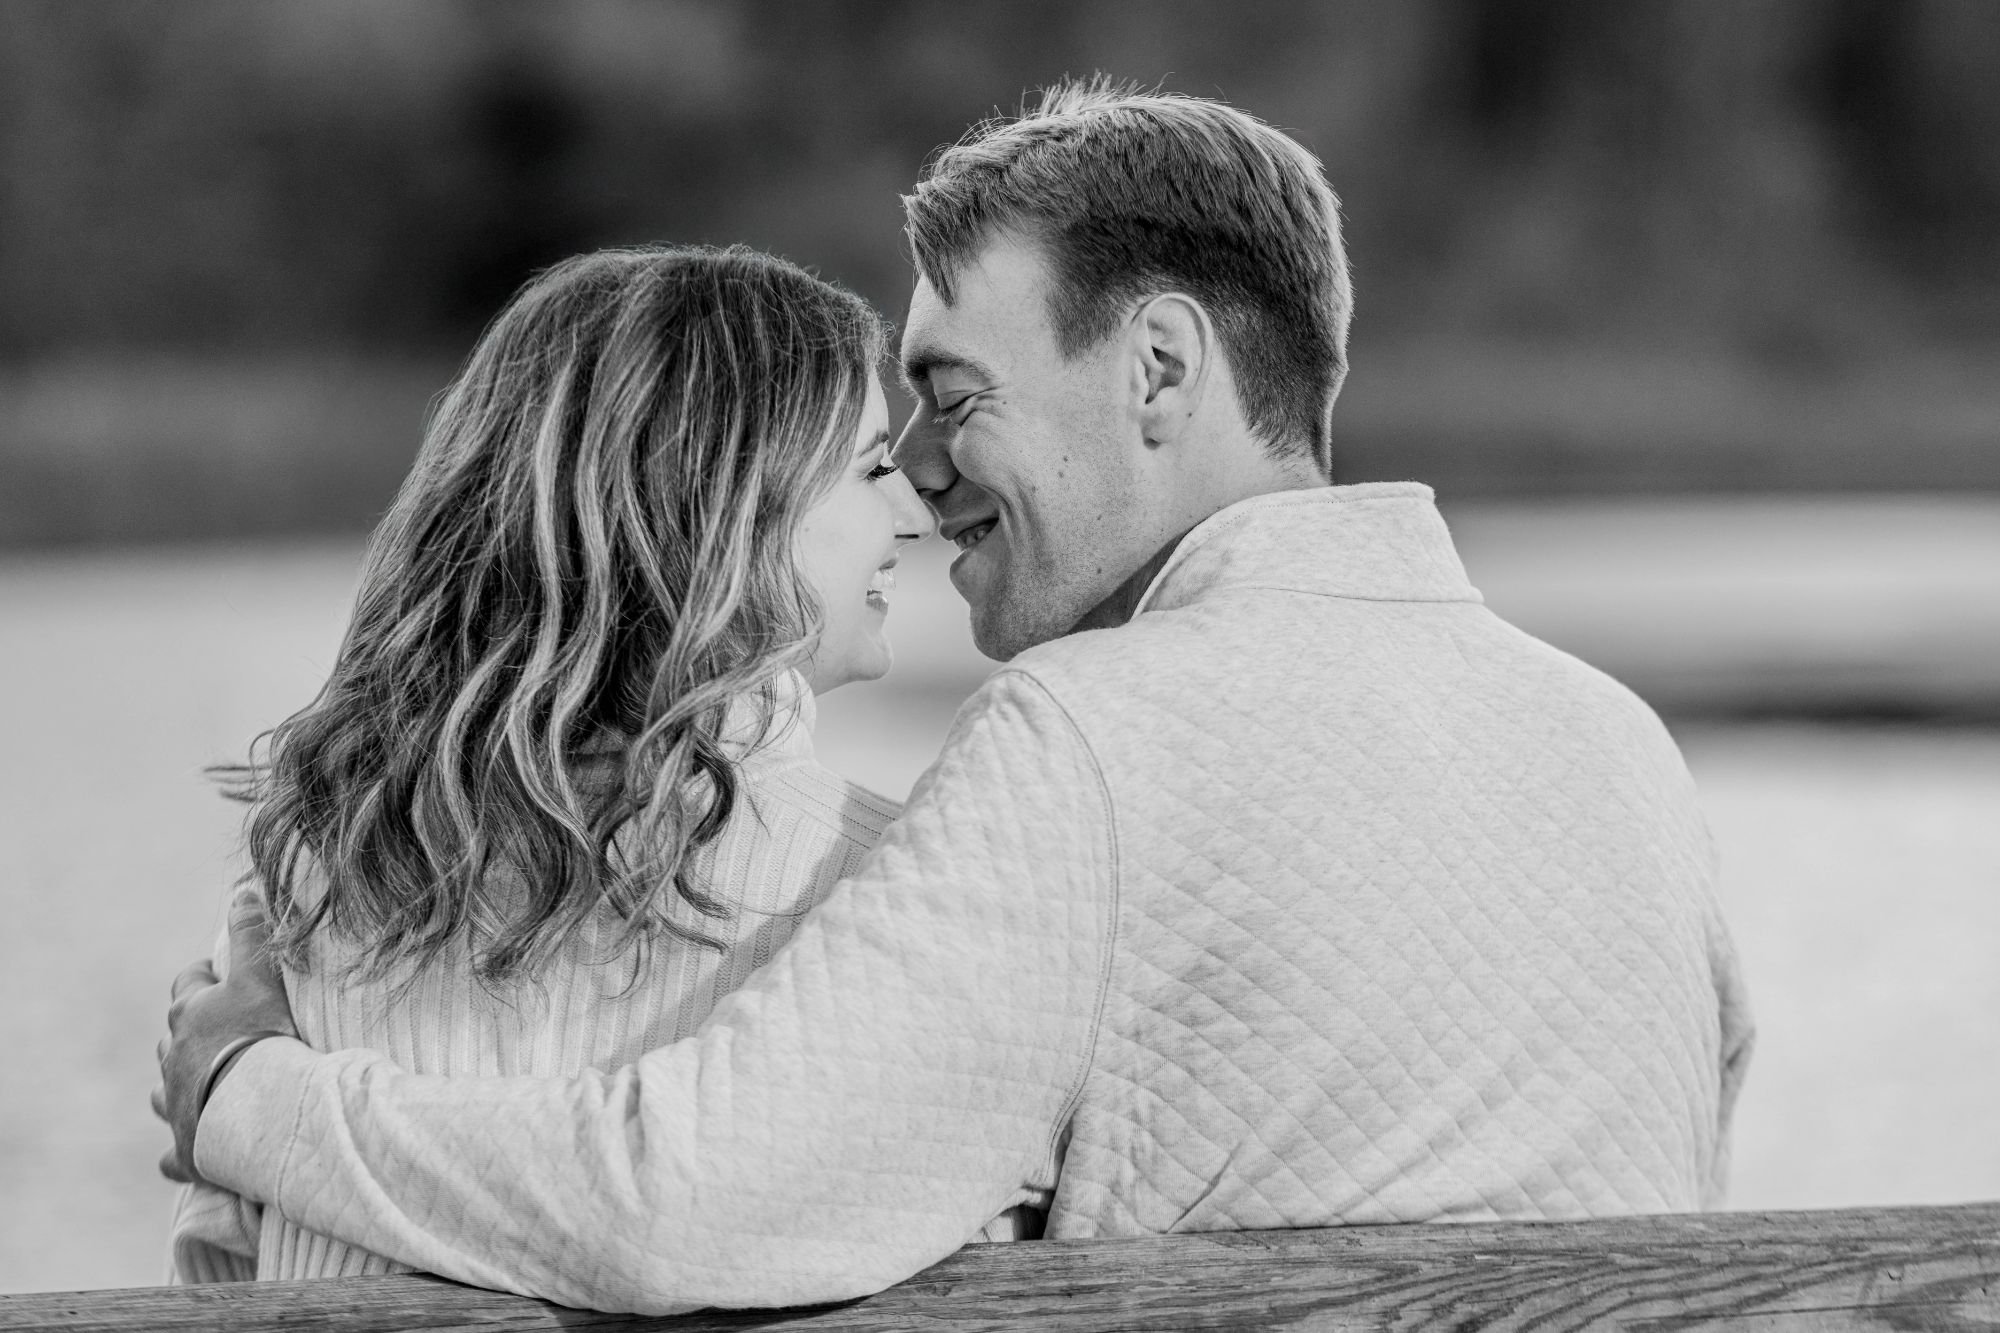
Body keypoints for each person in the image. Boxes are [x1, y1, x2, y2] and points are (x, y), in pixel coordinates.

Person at [159, 81, 1754, 1315]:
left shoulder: (1098, 741)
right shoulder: (1618, 743)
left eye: (952, 394)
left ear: (1158, 369)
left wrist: (249, 1095)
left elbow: (688, 1198)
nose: (917, 471)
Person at [159, 244, 948, 1282]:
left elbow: (219, 1264)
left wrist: (246, 1094)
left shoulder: (313, 862)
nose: (914, 513)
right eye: (872, 467)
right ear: (722, 505)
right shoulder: (886, 881)